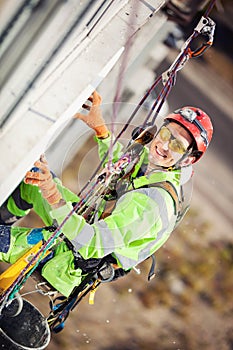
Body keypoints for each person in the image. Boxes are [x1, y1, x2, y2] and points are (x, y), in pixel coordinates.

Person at [0, 91, 213, 298]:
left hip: (71, 258)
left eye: (176, 145)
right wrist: (101, 129)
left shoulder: (152, 204)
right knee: (31, 178)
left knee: (17, 221)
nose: (164, 145)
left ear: (188, 159)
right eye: (166, 134)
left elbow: (88, 242)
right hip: (82, 222)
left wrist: (53, 194)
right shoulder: (156, 169)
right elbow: (120, 165)